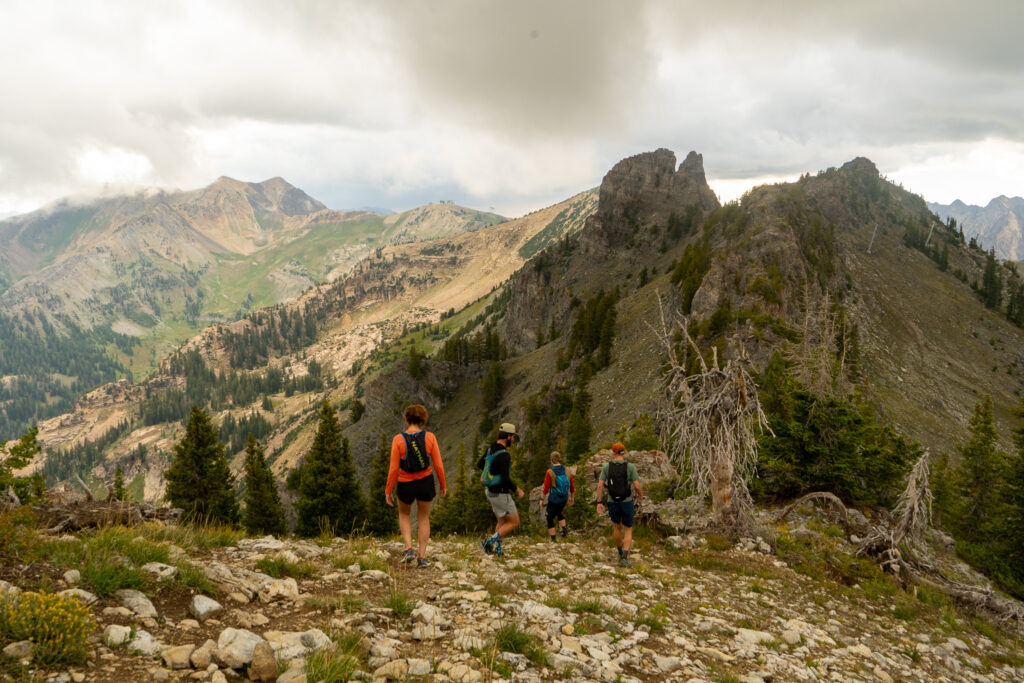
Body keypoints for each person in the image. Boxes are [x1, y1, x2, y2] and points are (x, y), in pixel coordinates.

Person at [385, 404, 447, 568]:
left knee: (404, 515)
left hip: (405, 483)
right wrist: (443, 484)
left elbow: (393, 469)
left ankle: (408, 548)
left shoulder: (398, 439)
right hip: (425, 482)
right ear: (422, 419)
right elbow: (438, 465)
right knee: (424, 517)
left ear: (406, 419)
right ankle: (422, 558)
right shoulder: (430, 437)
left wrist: (388, 490)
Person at [477, 422, 524, 557]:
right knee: (514, 522)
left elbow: (480, 464)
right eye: (512, 436)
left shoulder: (491, 448)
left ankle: (498, 550)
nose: (513, 439)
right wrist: (517, 490)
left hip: (490, 491)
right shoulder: (504, 455)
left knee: (502, 522)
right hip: (501, 494)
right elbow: (505, 478)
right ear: (508, 436)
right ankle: (488, 542)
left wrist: (491, 475)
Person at [595, 442, 643, 568]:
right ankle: (624, 558)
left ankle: (620, 552)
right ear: (624, 452)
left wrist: (599, 502)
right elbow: (637, 485)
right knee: (628, 529)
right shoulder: (630, 467)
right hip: (626, 501)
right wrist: (640, 496)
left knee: (617, 527)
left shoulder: (607, 467)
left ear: (613, 452)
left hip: (612, 501)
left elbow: (600, 485)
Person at [540, 451, 574, 541]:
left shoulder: (550, 472)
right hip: (564, 497)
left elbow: (546, 487)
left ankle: (553, 539)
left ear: (551, 460)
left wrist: (541, 499)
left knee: (549, 517)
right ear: (559, 459)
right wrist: (572, 497)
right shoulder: (567, 470)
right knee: (559, 512)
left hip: (554, 499)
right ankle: (564, 532)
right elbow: (572, 485)